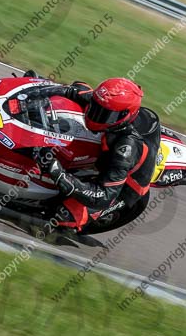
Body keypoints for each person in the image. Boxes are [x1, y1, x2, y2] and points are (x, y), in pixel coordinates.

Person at [28, 75, 161, 234]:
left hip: (121, 189)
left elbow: (103, 196)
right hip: (107, 152)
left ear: (122, 116)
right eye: (95, 107)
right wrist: (35, 91)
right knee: (78, 87)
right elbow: (71, 91)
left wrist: (58, 173)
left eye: (104, 114)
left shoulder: (126, 148)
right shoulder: (104, 102)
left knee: (59, 217)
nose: (95, 115)